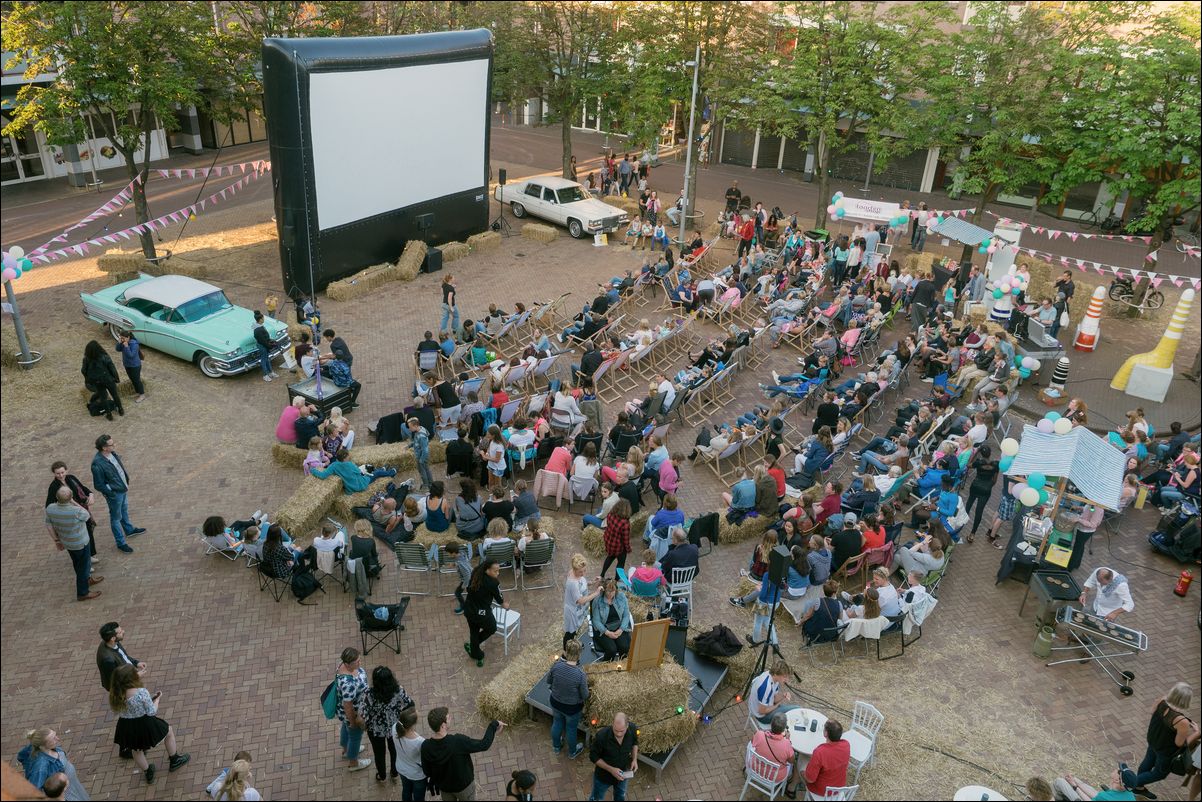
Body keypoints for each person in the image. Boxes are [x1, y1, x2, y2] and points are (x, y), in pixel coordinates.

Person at [108, 664, 189, 784]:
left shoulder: (115, 694)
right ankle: (174, 759)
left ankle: (148, 772)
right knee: (169, 732)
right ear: (131, 678)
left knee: (136, 750)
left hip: (127, 726)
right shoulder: (141, 693)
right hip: (144, 724)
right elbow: (151, 711)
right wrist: (157, 700)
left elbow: (119, 710)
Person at [1121, 682, 1200, 797]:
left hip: (1153, 740)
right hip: (1165, 750)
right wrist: (1197, 733)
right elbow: (1179, 743)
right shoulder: (1182, 721)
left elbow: (1152, 711)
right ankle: (1128, 782)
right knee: (1159, 773)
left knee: (1148, 762)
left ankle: (1138, 788)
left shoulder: (1161, 701)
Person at [420, 707, 503, 802]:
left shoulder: (426, 746)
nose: (451, 718)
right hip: (464, 788)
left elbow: (427, 771)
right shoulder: (458, 741)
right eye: (448, 718)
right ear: (443, 725)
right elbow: (483, 745)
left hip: (445, 788)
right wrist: (494, 725)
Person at [358, 666, 415, 782]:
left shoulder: (368, 694)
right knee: (395, 751)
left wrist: (364, 726)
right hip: (395, 728)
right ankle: (394, 773)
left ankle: (382, 775)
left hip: (375, 730)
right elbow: (410, 704)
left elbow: (361, 716)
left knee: (379, 753)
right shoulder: (398, 690)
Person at [90, 434, 145, 553]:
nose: (114, 445)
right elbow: (98, 485)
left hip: (122, 489)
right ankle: (121, 543)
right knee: (115, 518)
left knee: (124, 510)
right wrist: (111, 493)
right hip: (115, 494)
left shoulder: (112, 454)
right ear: (104, 448)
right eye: (111, 444)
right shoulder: (97, 464)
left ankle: (129, 530)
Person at [46, 485, 102, 601]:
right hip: (81, 543)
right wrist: (74, 502)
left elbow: (49, 525)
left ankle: (88, 580)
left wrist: (56, 541)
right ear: (70, 497)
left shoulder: (50, 508)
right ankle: (83, 592)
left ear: (56, 497)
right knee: (83, 567)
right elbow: (86, 514)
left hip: (67, 542)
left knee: (77, 564)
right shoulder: (76, 511)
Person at [17, 727, 90, 801]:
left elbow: (21, 756)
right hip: (68, 794)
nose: (57, 739)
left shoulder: (48, 748)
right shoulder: (41, 767)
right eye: (53, 739)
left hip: (73, 786)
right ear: (42, 746)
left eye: (55, 735)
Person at [46, 462, 98, 565]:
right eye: (57, 473)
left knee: (88, 534)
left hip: (82, 510)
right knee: (79, 539)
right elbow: (49, 505)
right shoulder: (54, 487)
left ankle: (89, 556)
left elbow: (83, 488)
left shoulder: (71, 478)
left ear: (66, 470)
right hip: (70, 515)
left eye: (62, 472)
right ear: (54, 474)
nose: (61, 475)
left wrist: (91, 495)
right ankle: (85, 564)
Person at [549, 639, 590, 759]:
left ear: (566, 652)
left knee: (557, 723)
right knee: (571, 729)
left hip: (555, 702)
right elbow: (585, 695)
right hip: (572, 708)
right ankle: (572, 752)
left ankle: (556, 747)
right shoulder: (580, 675)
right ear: (579, 654)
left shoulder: (556, 666)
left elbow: (549, 682)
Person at [334, 647, 373, 771]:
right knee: (355, 736)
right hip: (353, 714)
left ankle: (346, 750)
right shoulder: (348, 683)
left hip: (344, 713)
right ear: (347, 664)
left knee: (346, 729)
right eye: (357, 662)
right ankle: (353, 762)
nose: (359, 663)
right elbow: (348, 705)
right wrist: (353, 722)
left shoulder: (342, 666)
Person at [464, 559, 507, 666]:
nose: (498, 573)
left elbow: (468, 588)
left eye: (498, 570)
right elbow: (499, 597)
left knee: (474, 632)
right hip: (482, 613)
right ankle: (475, 649)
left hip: (469, 609)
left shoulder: (476, 572)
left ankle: (476, 652)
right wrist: (504, 604)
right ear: (487, 570)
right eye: (495, 571)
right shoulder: (493, 583)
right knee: (492, 628)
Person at [588, 712, 638, 802]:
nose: (619, 734)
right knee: (596, 798)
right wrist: (611, 769)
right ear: (612, 724)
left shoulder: (633, 728)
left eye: (622, 731)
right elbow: (593, 757)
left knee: (620, 796)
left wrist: (634, 759)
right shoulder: (601, 736)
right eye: (616, 730)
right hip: (603, 777)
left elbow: (635, 743)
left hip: (623, 774)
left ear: (627, 726)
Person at [311, 448, 397, 494]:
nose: (349, 457)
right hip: (360, 485)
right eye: (348, 456)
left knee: (375, 472)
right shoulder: (350, 464)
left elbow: (322, 475)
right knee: (376, 474)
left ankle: (383, 469)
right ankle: (392, 472)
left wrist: (312, 470)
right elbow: (360, 472)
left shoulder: (333, 465)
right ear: (344, 458)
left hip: (350, 487)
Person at [563, 553, 603, 649]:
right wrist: (596, 593)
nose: (583, 574)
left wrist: (591, 582)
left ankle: (573, 644)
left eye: (584, 570)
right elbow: (580, 601)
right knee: (570, 633)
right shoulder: (572, 583)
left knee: (576, 630)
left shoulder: (575, 573)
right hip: (573, 611)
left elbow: (582, 583)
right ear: (574, 569)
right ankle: (566, 651)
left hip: (578, 609)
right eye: (581, 572)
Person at [804, 719, 850, 798]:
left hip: (821, 791)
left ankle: (792, 787)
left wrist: (803, 773)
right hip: (838, 788)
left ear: (826, 733)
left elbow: (810, 779)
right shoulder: (846, 744)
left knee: (801, 760)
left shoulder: (820, 752)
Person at [749, 712, 796, 788]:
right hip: (775, 777)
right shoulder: (786, 744)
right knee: (793, 765)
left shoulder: (760, 735)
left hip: (755, 768)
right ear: (783, 729)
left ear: (771, 724)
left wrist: (766, 731)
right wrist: (788, 740)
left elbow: (752, 742)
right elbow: (791, 761)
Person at [591, 579, 634, 661]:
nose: (610, 594)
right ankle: (607, 666)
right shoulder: (598, 600)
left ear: (616, 590)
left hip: (619, 626)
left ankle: (622, 664)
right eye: (608, 591)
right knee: (611, 650)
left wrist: (621, 629)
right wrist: (607, 633)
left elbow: (626, 615)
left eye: (612, 591)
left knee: (624, 647)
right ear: (604, 590)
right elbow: (596, 621)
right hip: (603, 629)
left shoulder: (621, 597)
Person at [748, 660, 799, 725]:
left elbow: (774, 698)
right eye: (784, 677)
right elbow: (761, 711)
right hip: (762, 716)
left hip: (767, 707)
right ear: (776, 674)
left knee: (793, 711)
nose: (787, 680)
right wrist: (777, 706)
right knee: (796, 708)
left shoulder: (773, 677)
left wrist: (783, 695)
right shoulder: (766, 687)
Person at [82, 340, 123, 419]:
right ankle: (120, 410)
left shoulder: (86, 359)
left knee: (103, 398)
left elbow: (83, 371)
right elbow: (112, 368)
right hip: (108, 379)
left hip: (97, 381)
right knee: (115, 395)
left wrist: (88, 379)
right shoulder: (104, 356)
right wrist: (116, 378)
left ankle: (109, 415)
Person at [393, 707, 427, 802]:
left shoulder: (394, 728)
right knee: (419, 797)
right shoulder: (419, 741)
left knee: (406, 790)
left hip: (401, 768)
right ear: (413, 724)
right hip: (417, 774)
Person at [1052, 769, 1136, 801]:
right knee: (1074, 779)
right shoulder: (1130, 794)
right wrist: (1075, 782)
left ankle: (1053, 798)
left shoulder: (1105, 797)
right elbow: (1098, 796)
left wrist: (1075, 786)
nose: (1117, 769)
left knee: (1060, 781)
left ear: (1117, 780)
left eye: (1119, 771)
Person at [601, 498, 633, 578]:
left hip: (609, 541)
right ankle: (616, 580)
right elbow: (625, 540)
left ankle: (602, 574)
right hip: (619, 547)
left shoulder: (610, 514)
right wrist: (628, 549)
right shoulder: (625, 523)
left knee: (609, 558)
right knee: (621, 564)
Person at [115, 331, 147, 403]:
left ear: (128, 337)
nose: (122, 339)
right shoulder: (123, 342)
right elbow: (117, 349)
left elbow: (131, 356)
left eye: (123, 338)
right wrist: (119, 342)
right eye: (121, 338)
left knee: (136, 380)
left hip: (135, 365)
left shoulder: (134, 344)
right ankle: (138, 392)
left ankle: (142, 395)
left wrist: (126, 347)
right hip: (127, 365)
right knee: (132, 379)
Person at [252, 311, 279, 381]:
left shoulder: (260, 327)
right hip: (262, 346)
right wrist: (269, 345)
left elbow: (265, 338)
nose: (264, 319)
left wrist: (270, 340)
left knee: (267, 359)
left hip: (264, 345)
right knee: (264, 360)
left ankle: (270, 372)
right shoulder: (258, 330)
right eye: (263, 318)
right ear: (260, 319)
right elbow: (262, 340)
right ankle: (265, 375)